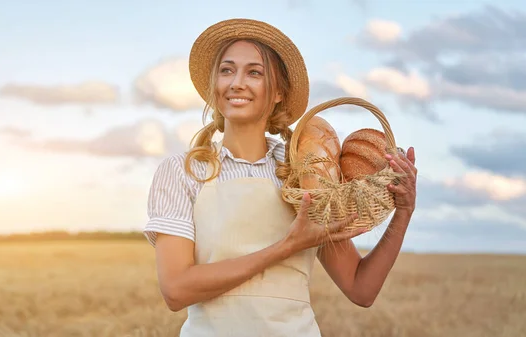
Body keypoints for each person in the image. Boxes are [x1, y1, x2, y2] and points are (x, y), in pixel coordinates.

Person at [143, 18, 417, 337]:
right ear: (214, 86)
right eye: (226, 70)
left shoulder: (307, 172)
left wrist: (404, 210)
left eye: (254, 72)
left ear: (278, 93)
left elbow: (361, 288)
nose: (237, 83)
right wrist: (287, 246)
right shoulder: (183, 171)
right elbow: (176, 290)